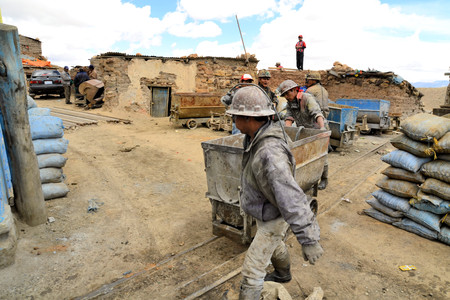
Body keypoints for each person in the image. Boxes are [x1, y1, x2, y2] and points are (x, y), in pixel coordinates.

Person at [226, 86, 323, 299]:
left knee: (252, 272)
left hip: (274, 216)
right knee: (274, 243)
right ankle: (282, 273)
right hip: (268, 212)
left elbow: (291, 197)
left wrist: (309, 239)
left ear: (249, 119)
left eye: (235, 117)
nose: (233, 122)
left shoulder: (269, 153)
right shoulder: (256, 136)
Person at [305, 72, 330, 190]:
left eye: (308, 79)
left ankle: (322, 179)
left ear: (313, 80)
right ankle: (320, 179)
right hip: (324, 122)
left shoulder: (309, 92)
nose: (307, 81)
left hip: (316, 124)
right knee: (322, 153)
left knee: (317, 154)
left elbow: (308, 109)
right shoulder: (324, 90)